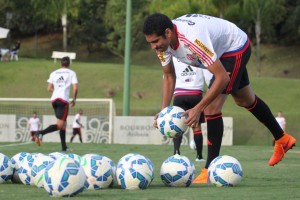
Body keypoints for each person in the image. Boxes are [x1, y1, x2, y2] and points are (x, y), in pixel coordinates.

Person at [143, 13, 296, 184]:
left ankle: (209, 169)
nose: (153, 47)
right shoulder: (163, 46)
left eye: (156, 41)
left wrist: (198, 108)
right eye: (150, 43)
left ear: (168, 33)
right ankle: (283, 139)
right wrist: (164, 111)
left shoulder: (191, 40)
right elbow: (169, 76)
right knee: (244, 100)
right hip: (220, 51)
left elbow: (222, 77)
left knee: (211, 108)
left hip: (235, 47)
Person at [171, 58, 212, 162]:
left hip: (179, 94)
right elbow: (208, 76)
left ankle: (176, 153)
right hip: (195, 94)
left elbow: (168, 76)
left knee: (177, 125)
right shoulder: (199, 55)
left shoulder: (174, 56)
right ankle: (199, 157)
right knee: (196, 126)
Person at [35, 56, 78, 152]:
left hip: (54, 100)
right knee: (59, 125)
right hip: (63, 101)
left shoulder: (54, 73)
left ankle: (64, 147)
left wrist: (57, 90)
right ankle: (40, 133)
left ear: (61, 64)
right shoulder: (71, 73)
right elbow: (75, 88)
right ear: (69, 64)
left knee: (63, 124)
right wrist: (74, 99)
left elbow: (49, 88)